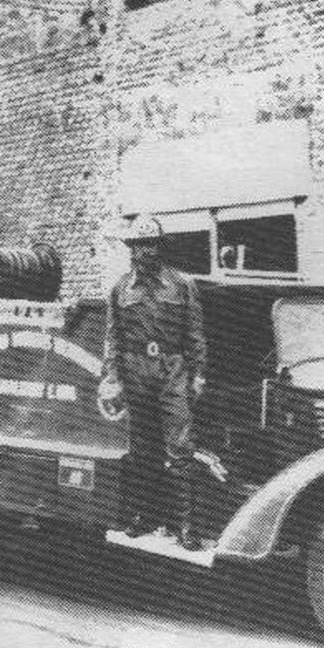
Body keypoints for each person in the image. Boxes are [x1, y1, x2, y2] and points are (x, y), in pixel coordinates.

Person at [101, 214, 208, 549]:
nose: (141, 253)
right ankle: (143, 516)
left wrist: (199, 375)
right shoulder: (120, 289)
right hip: (135, 370)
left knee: (180, 448)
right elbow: (112, 339)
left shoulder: (182, 285)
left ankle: (185, 526)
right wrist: (113, 378)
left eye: (148, 246)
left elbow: (195, 335)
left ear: (160, 249)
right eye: (135, 246)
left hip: (172, 369)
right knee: (142, 448)